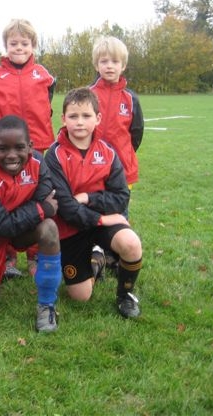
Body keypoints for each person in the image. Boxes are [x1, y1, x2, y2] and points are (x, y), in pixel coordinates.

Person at [45, 87, 143, 318]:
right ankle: (97, 259)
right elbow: (67, 209)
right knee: (81, 296)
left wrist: (89, 197)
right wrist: (101, 218)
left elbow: (121, 197)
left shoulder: (108, 152)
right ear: (63, 119)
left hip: (100, 222)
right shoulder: (54, 156)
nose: (80, 122)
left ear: (98, 118)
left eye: (86, 115)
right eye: (73, 116)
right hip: (71, 229)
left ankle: (125, 296)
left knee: (131, 243)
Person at [0, 115, 61, 332]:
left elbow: (45, 197)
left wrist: (21, 216)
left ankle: (47, 304)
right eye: (3, 148)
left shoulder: (38, 163)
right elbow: (1, 225)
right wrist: (40, 209)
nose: (11, 155)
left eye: (19, 147)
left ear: (30, 146)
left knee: (49, 228)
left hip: (18, 230)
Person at [0, 19, 57, 278]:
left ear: (33, 45)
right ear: (5, 46)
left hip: (37, 145)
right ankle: (8, 257)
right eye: (13, 43)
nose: (19, 48)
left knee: (36, 197)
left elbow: (48, 106)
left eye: (24, 43)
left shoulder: (43, 74)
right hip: (7, 150)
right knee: (7, 199)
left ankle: (35, 254)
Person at [89, 36, 144, 273]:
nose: (109, 66)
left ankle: (118, 256)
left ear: (123, 66)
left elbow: (136, 133)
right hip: (93, 169)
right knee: (95, 211)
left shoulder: (131, 99)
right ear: (96, 65)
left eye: (115, 61)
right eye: (104, 61)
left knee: (119, 212)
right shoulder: (89, 94)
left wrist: (122, 158)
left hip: (123, 170)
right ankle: (96, 254)